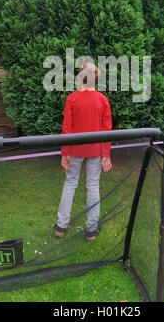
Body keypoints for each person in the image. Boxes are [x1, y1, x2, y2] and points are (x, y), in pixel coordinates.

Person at [54, 62, 112, 241]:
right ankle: (91, 230)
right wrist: (105, 154)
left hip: (75, 150)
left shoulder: (72, 98)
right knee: (92, 186)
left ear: (79, 78)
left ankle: (61, 226)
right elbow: (107, 129)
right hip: (94, 150)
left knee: (70, 184)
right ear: (96, 79)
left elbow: (67, 128)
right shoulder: (103, 100)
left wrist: (65, 153)